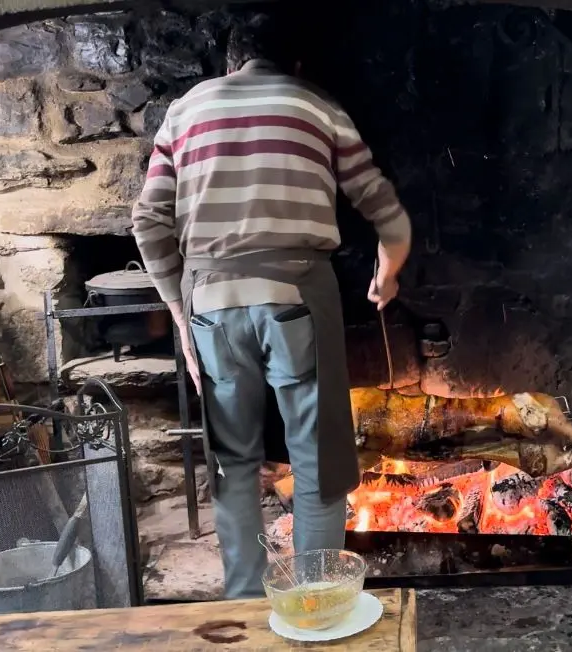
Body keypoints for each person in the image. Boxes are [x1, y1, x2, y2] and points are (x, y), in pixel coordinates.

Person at [130, 13, 411, 599]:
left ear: (233, 63)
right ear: (295, 66)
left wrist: (180, 315)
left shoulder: (182, 111)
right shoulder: (318, 105)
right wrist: (386, 277)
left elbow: (148, 221)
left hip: (211, 305)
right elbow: (388, 215)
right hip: (298, 297)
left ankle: (244, 603)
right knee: (317, 460)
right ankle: (317, 602)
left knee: (233, 462)